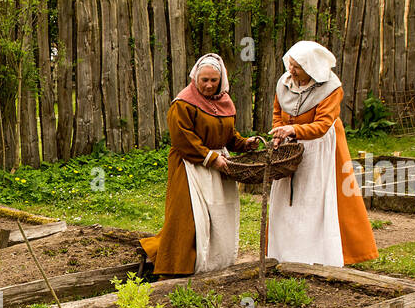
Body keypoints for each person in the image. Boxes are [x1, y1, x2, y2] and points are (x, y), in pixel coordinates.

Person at [139, 53, 257, 278]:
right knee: (190, 218)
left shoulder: (224, 101)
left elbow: (227, 135)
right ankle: (178, 266)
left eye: (214, 80)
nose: (209, 85)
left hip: (219, 168)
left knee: (217, 216)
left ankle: (212, 263)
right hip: (190, 165)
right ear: (196, 78)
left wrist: (244, 144)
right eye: (205, 80)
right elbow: (183, 139)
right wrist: (212, 159)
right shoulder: (183, 103)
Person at [267, 41, 377, 267]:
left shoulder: (330, 88)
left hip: (321, 148)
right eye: (291, 64)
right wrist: (279, 132)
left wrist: (295, 130)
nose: (291, 70)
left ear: (311, 67)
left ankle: (316, 253)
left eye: (297, 66)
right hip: (291, 146)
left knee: (315, 198)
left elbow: (323, 125)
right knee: (287, 198)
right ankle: (285, 250)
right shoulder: (285, 83)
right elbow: (278, 112)